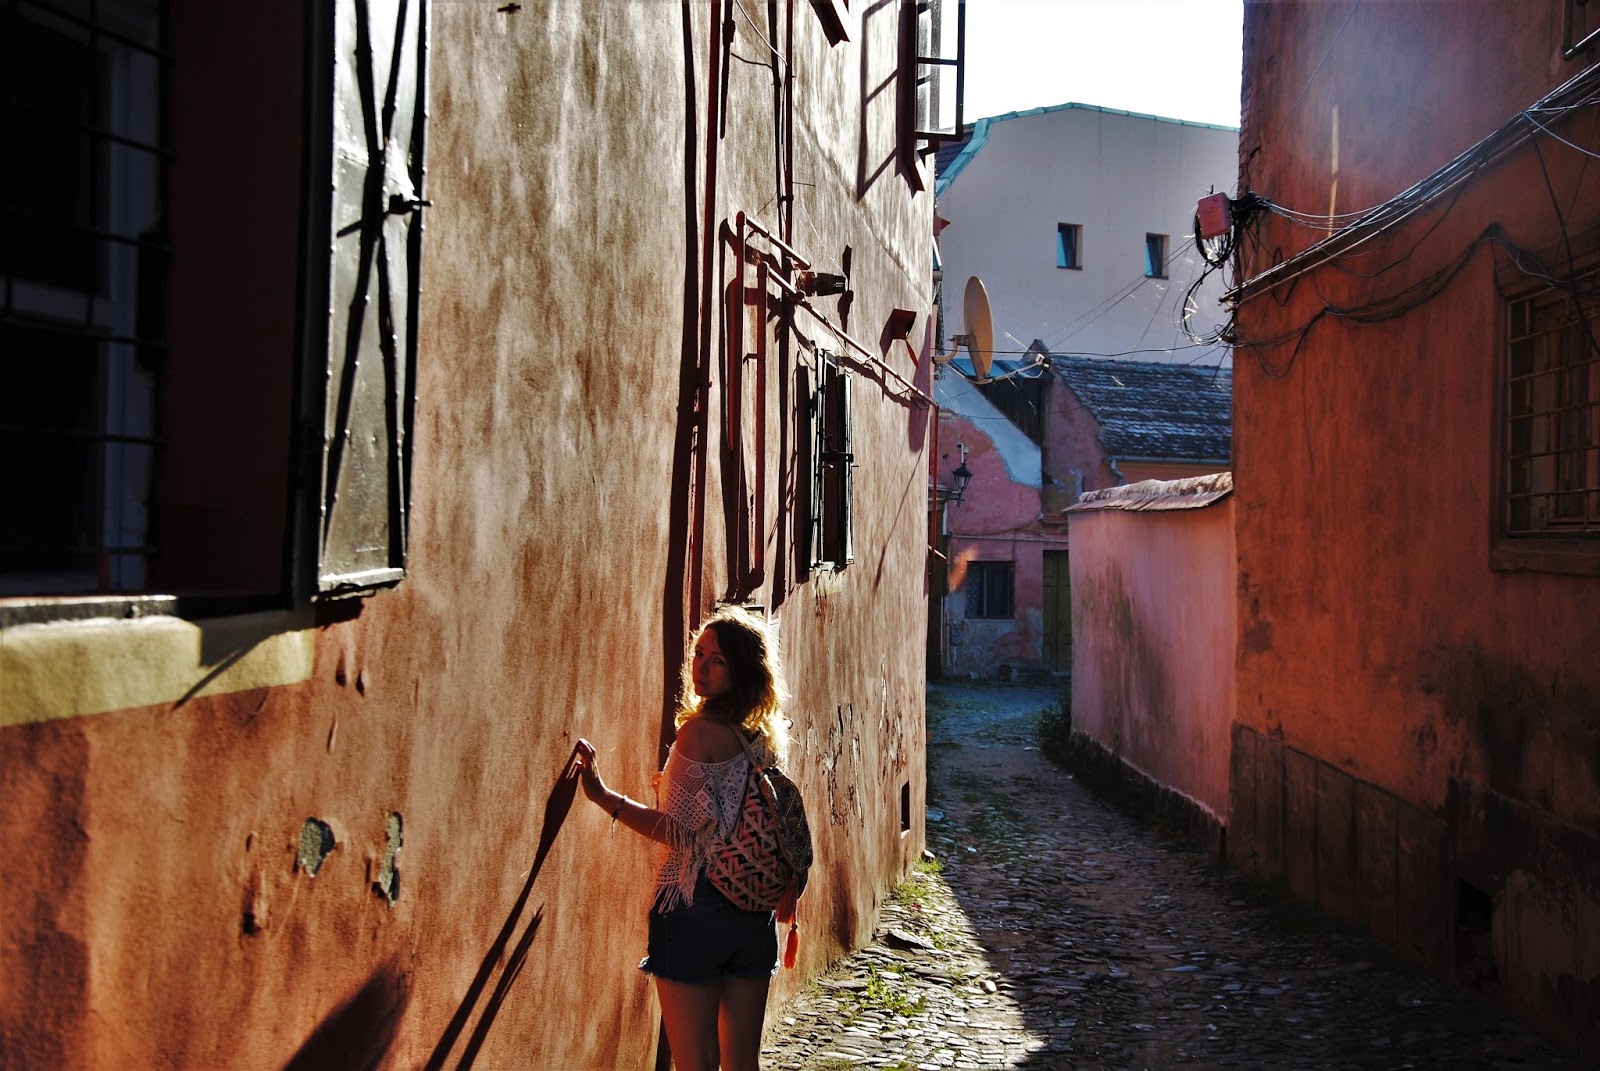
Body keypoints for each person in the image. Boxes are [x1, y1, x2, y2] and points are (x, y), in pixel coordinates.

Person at [575, 604, 790, 1071]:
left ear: (742, 669)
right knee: (741, 1064)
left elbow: (678, 831)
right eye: (698, 654)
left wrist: (604, 796)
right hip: (754, 911)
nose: (701, 667)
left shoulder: (697, 735)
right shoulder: (763, 736)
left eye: (717, 659)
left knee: (695, 1063)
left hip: (696, 907)